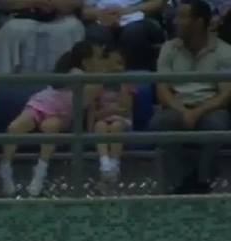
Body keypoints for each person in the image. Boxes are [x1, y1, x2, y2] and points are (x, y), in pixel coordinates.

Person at [0, 40, 104, 197]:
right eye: (97, 57)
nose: (100, 61)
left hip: (61, 114)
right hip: (43, 102)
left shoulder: (96, 82)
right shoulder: (73, 72)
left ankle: (40, 173)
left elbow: (84, 105)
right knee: (15, 128)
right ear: (86, 61)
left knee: (50, 128)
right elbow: (62, 84)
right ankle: (5, 168)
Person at [149, 0, 231, 194]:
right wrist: (183, 111)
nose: (175, 21)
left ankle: (201, 178)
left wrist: (198, 112)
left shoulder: (225, 51)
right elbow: (162, 90)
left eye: (182, 17)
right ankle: (182, 180)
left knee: (216, 125)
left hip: (210, 107)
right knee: (159, 123)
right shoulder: (168, 48)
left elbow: (226, 94)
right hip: (176, 105)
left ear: (199, 22)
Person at [0, 0, 86, 74]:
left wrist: (54, 3)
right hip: (22, 18)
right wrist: (34, 2)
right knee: (10, 29)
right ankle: (4, 84)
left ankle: (66, 84)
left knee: (73, 27)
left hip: (61, 18)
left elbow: (77, 3)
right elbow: (2, 3)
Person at [90, 47, 135, 185]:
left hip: (122, 121)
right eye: (112, 63)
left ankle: (114, 165)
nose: (116, 67)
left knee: (116, 126)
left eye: (119, 63)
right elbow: (94, 113)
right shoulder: (97, 84)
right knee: (100, 126)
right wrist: (112, 111)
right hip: (103, 120)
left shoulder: (127, 83)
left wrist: (121, 83)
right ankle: (105, 165)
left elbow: (126, 110)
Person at [81, 0, 165, 71]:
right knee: (96, 35)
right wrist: (99, 14)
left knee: (133, 34)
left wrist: (129, 10)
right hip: (99, 19)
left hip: (138, 17)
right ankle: (105, 82)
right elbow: (83, 10)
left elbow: (158, 2)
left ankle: (136, 80)